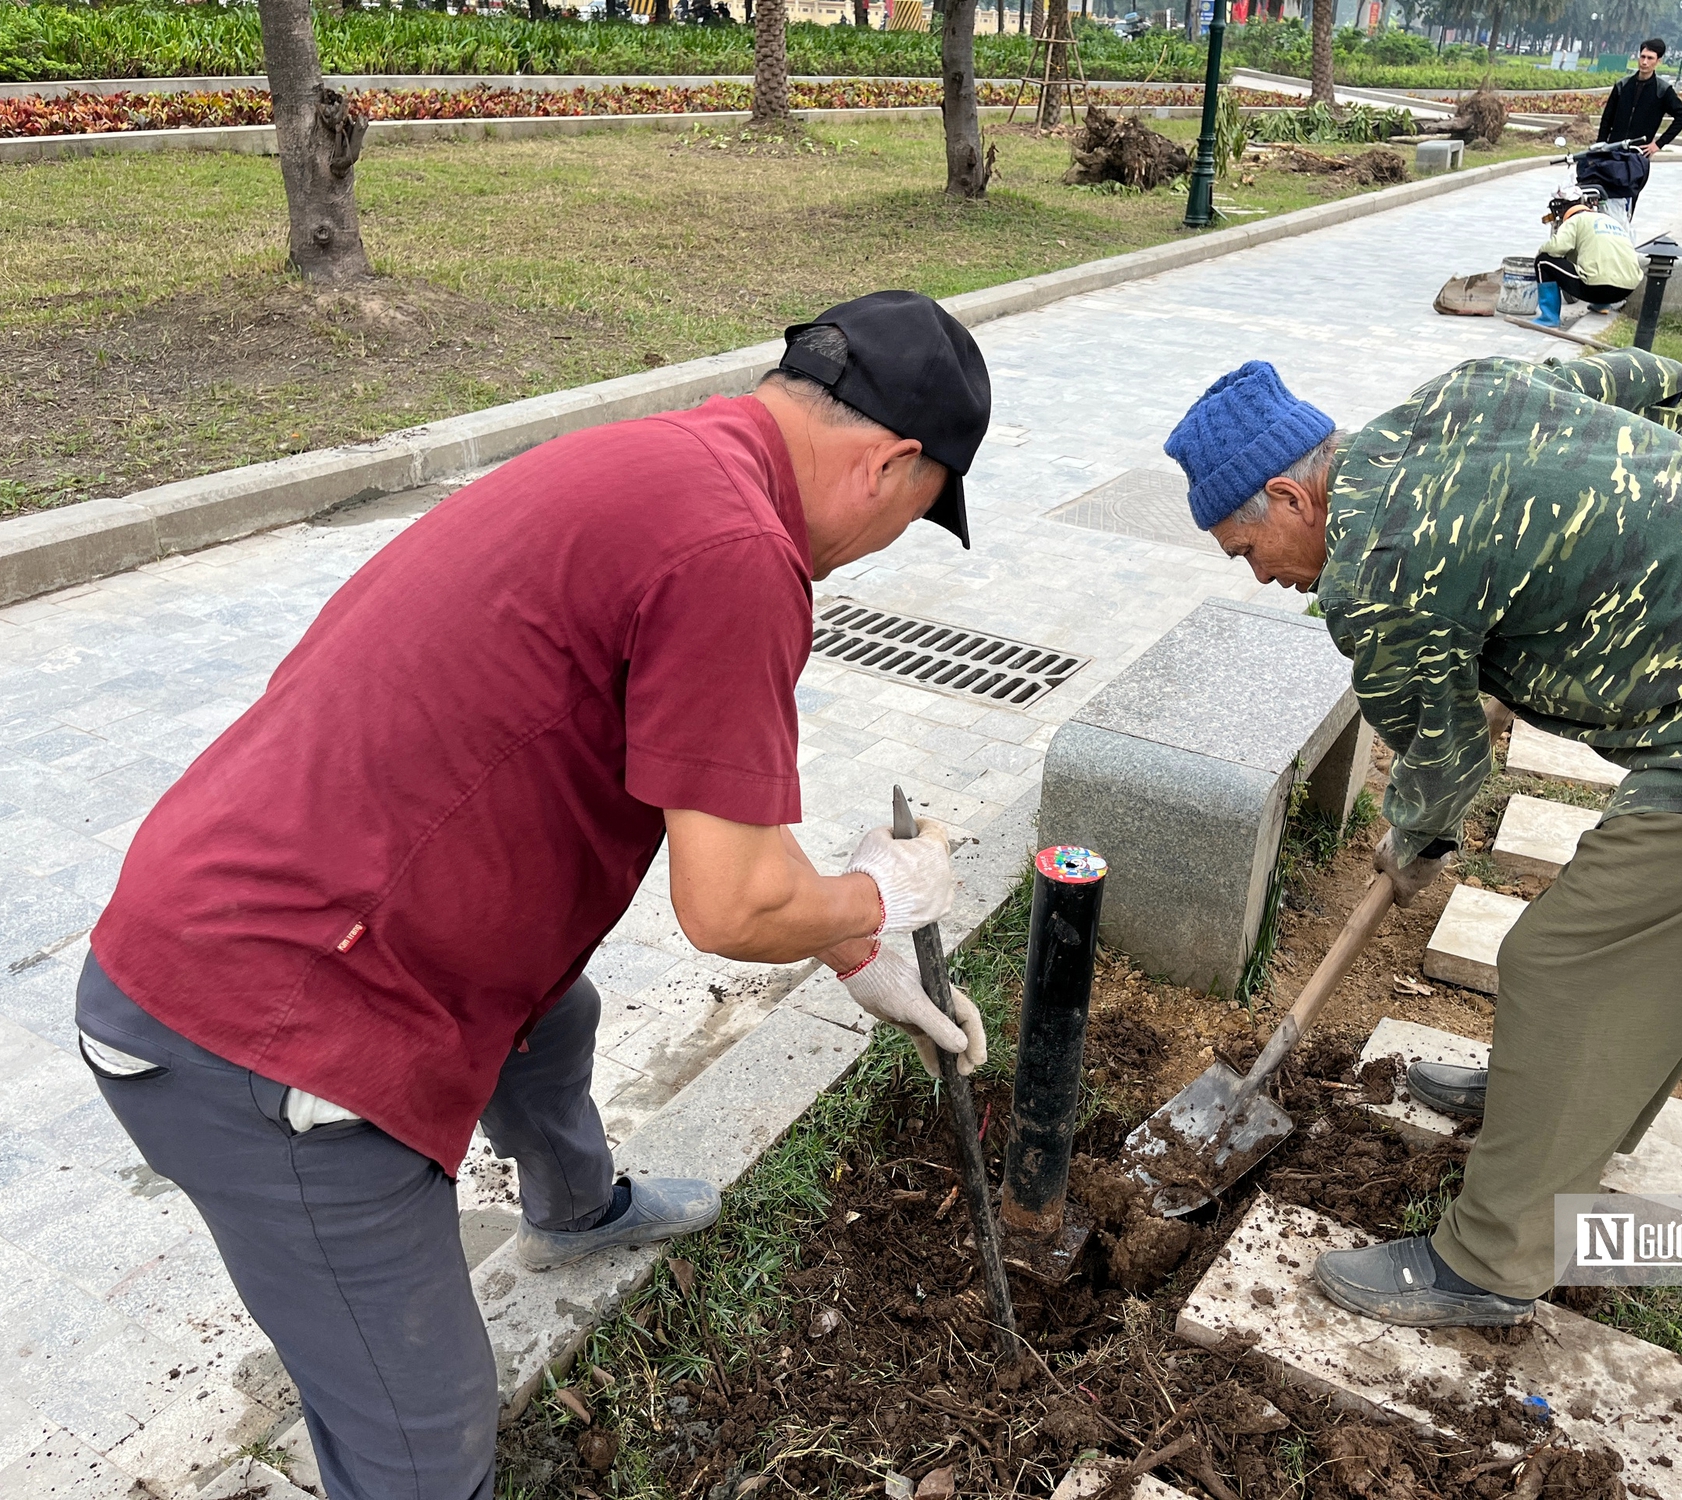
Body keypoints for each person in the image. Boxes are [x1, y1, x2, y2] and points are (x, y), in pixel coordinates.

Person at [76, 290, 995, 1499]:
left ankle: (572, 1206)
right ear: (889, 464)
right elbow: (728, 909)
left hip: (246, 904)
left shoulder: (675, 465)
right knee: (423, 1440)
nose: (885, 543)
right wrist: (875, 901)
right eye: (920, 517)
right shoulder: (740, 557)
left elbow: (736, 841)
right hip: (265, 1031)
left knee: (548, 1016)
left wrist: (837, 938)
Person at [1163, 350, 1682, 1328]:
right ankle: (1546, 1098)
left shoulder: (1374, 577)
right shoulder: (1450, 400)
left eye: (1244, 550)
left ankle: (1487, 1263)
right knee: (1638, 939)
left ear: (1287, 496)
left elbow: (1442, 769)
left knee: (1564, 961)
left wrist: (1413, 841)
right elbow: (1630, 374)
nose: (1260, 576)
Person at [1530, 185, 1642, 326]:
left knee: (1543, 262)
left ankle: (1549, 318)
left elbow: (1556, 247)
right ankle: (1602, 305)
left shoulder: (1574, 220)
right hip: (1626, 289)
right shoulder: (1609, 221)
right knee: (1597, 262)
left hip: (1597, 288)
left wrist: (1540, 251)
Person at [1598, 38, 1682, 158]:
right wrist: (1601, 144)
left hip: (1639, 154)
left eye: (1650, 58)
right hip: (1613, 150)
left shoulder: (1662, 89)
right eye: (1642, 56)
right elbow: (1607, 118)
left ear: (1658, 61)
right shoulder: (1623, 85)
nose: (1644, 62)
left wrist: (1659, 144)